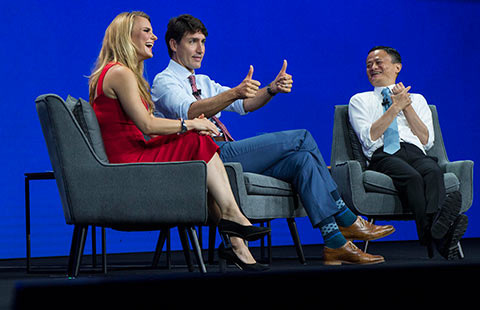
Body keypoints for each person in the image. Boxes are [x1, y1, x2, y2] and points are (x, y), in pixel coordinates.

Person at [151, 14, 395, 265]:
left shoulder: (202, 81)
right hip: (206, 157)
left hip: (225, 154)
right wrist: (234, 92)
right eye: (193, 41)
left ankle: (334, 243)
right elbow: (190, 111)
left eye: (203, 41)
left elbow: (245, 104)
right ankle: (345, 216)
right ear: (173, 44)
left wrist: (271, 89)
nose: (200, 49)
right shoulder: (164, 81)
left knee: (302, 161)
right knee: (302, 138)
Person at [88, 11, 272, 271]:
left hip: (135, 151)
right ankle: (233, 220)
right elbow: (147, 125)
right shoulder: (120, 73)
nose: (153, 36)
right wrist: (190, 124)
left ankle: (238, 243)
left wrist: (184, 131)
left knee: (197, 143)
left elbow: (148, 130)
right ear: (125, 36)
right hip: (128, 161)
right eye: (146, 31)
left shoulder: (118, 73)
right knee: (198, 140)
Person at [348, 46, 468, 259]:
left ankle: (434, 236)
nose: (373, 68)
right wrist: (394, 107)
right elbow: (369, 138)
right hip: (383, 154)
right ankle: (438, 236)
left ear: (397, 67)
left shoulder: (418, 99)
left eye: (378, 63)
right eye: (368, 65)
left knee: (432, 172)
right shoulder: (359, 100)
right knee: (412, 178)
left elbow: (426, 140)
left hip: (415, 151)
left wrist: (406, 106)